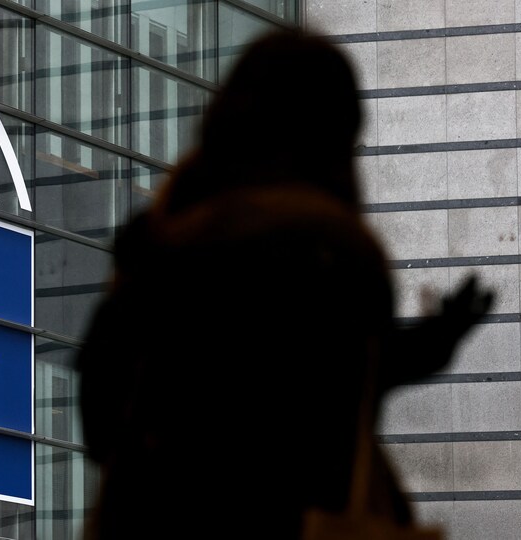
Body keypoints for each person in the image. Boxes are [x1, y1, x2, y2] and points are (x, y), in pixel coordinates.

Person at [77, 30, 491, 539]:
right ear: (334, 135)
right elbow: (328, 390)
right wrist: (427, 345)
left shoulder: (161, 237)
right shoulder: (334, 249)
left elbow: (101, 415)